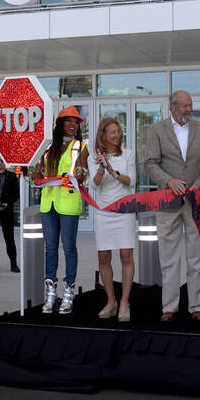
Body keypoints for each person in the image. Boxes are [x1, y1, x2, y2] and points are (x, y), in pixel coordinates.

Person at [144, 91, 200, 322]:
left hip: (195, 202)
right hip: (167, 202)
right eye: (185, 106)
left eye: (190, 105)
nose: (189, 109)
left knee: (197, 256)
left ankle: (196, 306)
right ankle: (170, 307)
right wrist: (169, 181)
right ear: (172, 107)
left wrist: (197, 186)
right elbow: (150, 163)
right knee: (169, 257)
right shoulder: (156, 130)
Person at [34, 107, 90, 315]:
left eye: (76, 121)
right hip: (48, 203)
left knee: (68, 248)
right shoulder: (48, 147)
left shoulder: (81, 146)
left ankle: (68, 291)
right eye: (69, 121)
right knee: (50, 249)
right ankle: (50, 292)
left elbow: (83, 173)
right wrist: (33, 173)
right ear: (60, 124)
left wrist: (77, 175)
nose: (73, 124)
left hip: (68, 203)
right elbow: (38, 172)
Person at [89, 117, 137, 322]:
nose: (117, 135)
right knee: (104, 257)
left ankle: (125, 301)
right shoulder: (94, 157)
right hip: (103, 212)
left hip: (124, 210)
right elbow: (95, 185)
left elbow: (131, 182)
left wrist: (113, 172)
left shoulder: (128, 154)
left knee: (126, 255)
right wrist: (101, 167)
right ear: (104, 135)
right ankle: (111, 301)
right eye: (112, 132)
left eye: (118, 131)